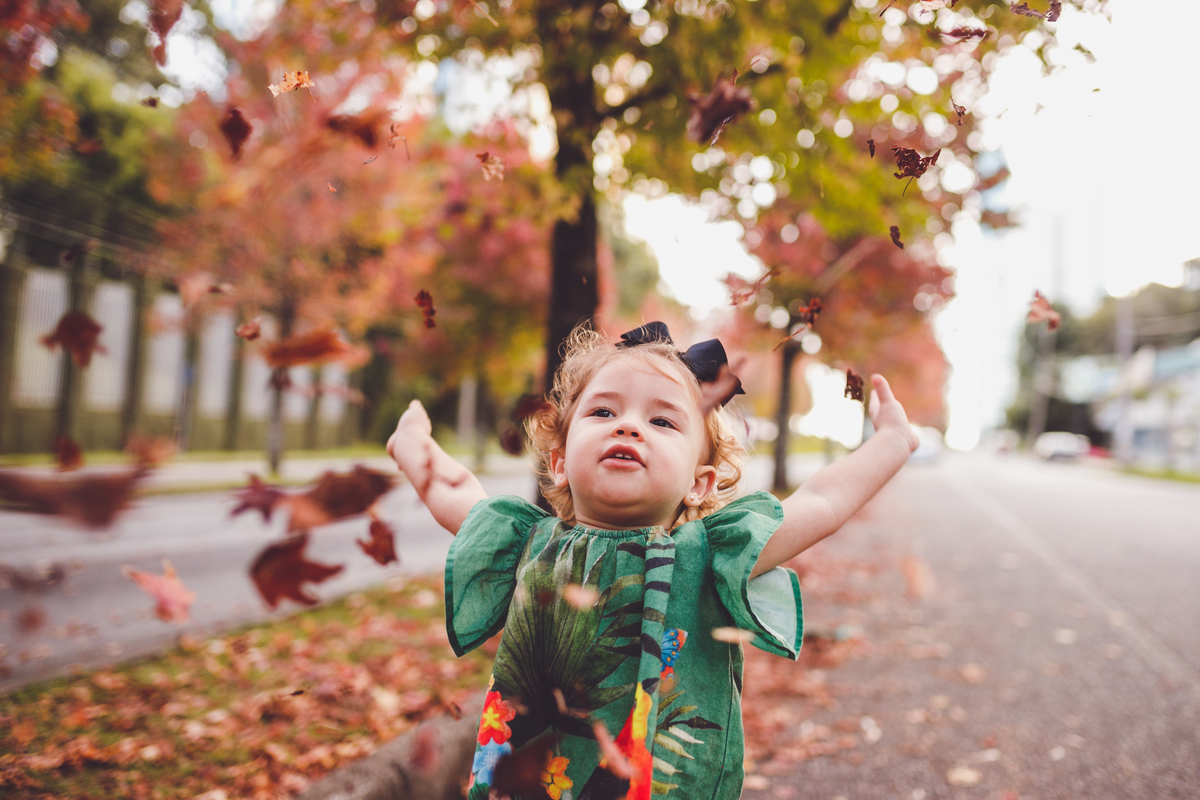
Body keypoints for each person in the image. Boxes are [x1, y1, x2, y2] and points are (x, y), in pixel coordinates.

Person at [387, 322, 918, 800]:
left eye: (662, 421)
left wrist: (892, 441)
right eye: (603, 411)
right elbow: (457, 491)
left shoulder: (711, 555)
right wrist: (413, 447)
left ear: (698, 483)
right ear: (559, 462)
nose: (629, 426)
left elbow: (819, 503)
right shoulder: (528, 542)